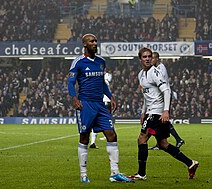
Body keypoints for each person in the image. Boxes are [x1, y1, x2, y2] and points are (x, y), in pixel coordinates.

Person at [67, 33, 132, 183]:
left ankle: (115, 173)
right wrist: (74, 99)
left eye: (96, 41)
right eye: (91, 41)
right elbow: (71, 83)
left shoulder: (101, 62)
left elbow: (102, 82)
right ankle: (83, 174)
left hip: (100, 104)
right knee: (84, 136)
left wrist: (111, 96)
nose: (95, 43)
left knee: (112, 135)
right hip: (86, 104)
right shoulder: (78, 62)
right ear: (85, 44)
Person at [128, 47, 199, 180]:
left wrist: (166, 110)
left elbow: (166, 91)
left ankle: (141, 174)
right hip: (150, 111)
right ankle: (191, 163)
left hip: (157, 112)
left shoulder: (155, 73)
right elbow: (146, 95)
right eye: (145, 57)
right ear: (140, 59)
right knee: (163, 144)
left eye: (149, 56)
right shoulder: (141, 75)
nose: (148, 59)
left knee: (141, 139)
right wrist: (143, 112)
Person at [148, 52, 185, 150]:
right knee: (160, 120)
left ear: (157, 59)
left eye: (153, 58)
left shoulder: (161, 68)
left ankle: (177, 139)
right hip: (161, 97)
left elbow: (160, 84)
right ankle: (168, 141)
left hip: (165, 96)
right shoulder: (157, 68)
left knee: (161, 120)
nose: (151, 60)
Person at [90, 70, 112, 148]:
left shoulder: (95, 81)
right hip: (105, 102)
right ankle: (108, 138)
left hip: (98, 102)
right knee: (106, 121)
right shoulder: (105, 82)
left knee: (94, 121)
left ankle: (92, 142)